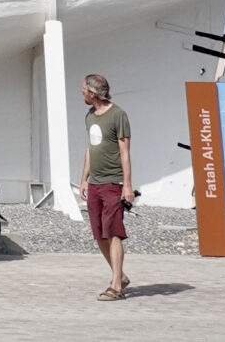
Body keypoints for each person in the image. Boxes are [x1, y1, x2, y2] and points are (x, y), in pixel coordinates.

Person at [79, 72, 135, 300]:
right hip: (95, 183)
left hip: (113, 182)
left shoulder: (118, 115)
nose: (81, 92)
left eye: (83, 89)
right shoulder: (90, 116)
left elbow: (125, 152)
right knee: (99, 234)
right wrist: (84, 178)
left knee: (113, 233)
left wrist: (127, 186)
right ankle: (119, 276)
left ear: (92, 93)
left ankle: (116, 288)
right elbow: (91, 148)